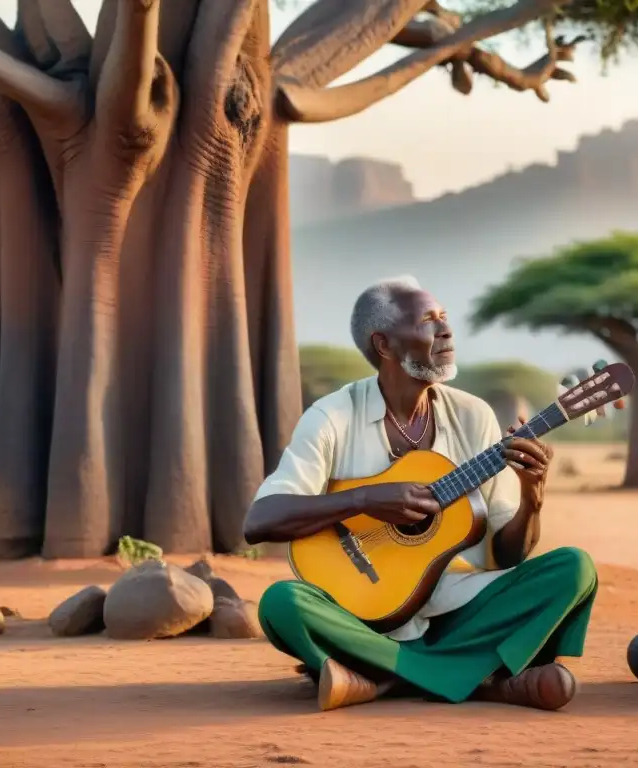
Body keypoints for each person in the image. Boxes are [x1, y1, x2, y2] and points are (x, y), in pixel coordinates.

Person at [244, 276, 598, 712]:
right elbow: (260, 521)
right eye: (429, 321)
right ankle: (485, 680)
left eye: (445, 318)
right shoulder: (332, 417)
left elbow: (510, 556)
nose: (446, 330)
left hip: (462, 611)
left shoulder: (472, 415)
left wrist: (533, 498)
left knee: (574, 568)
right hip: (362, 615)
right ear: (385, 345)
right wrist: (365, 500)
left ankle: (380, 677)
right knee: (282, 603)